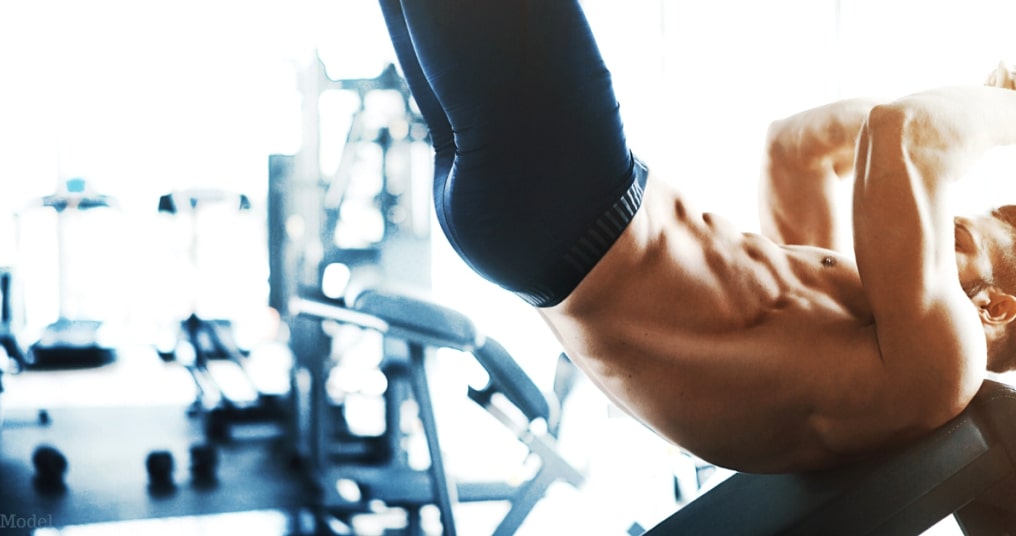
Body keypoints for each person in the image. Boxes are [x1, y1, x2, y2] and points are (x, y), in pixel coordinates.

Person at [377, 0, 1016, 473]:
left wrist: (1001, 109)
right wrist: (973, 110)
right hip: (544, 223)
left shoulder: (945, 368)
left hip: (571, 207)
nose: (932, 234)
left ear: (994, 306)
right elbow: (795, 148)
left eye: (959, 239)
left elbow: (902, 134)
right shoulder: (843, 328)